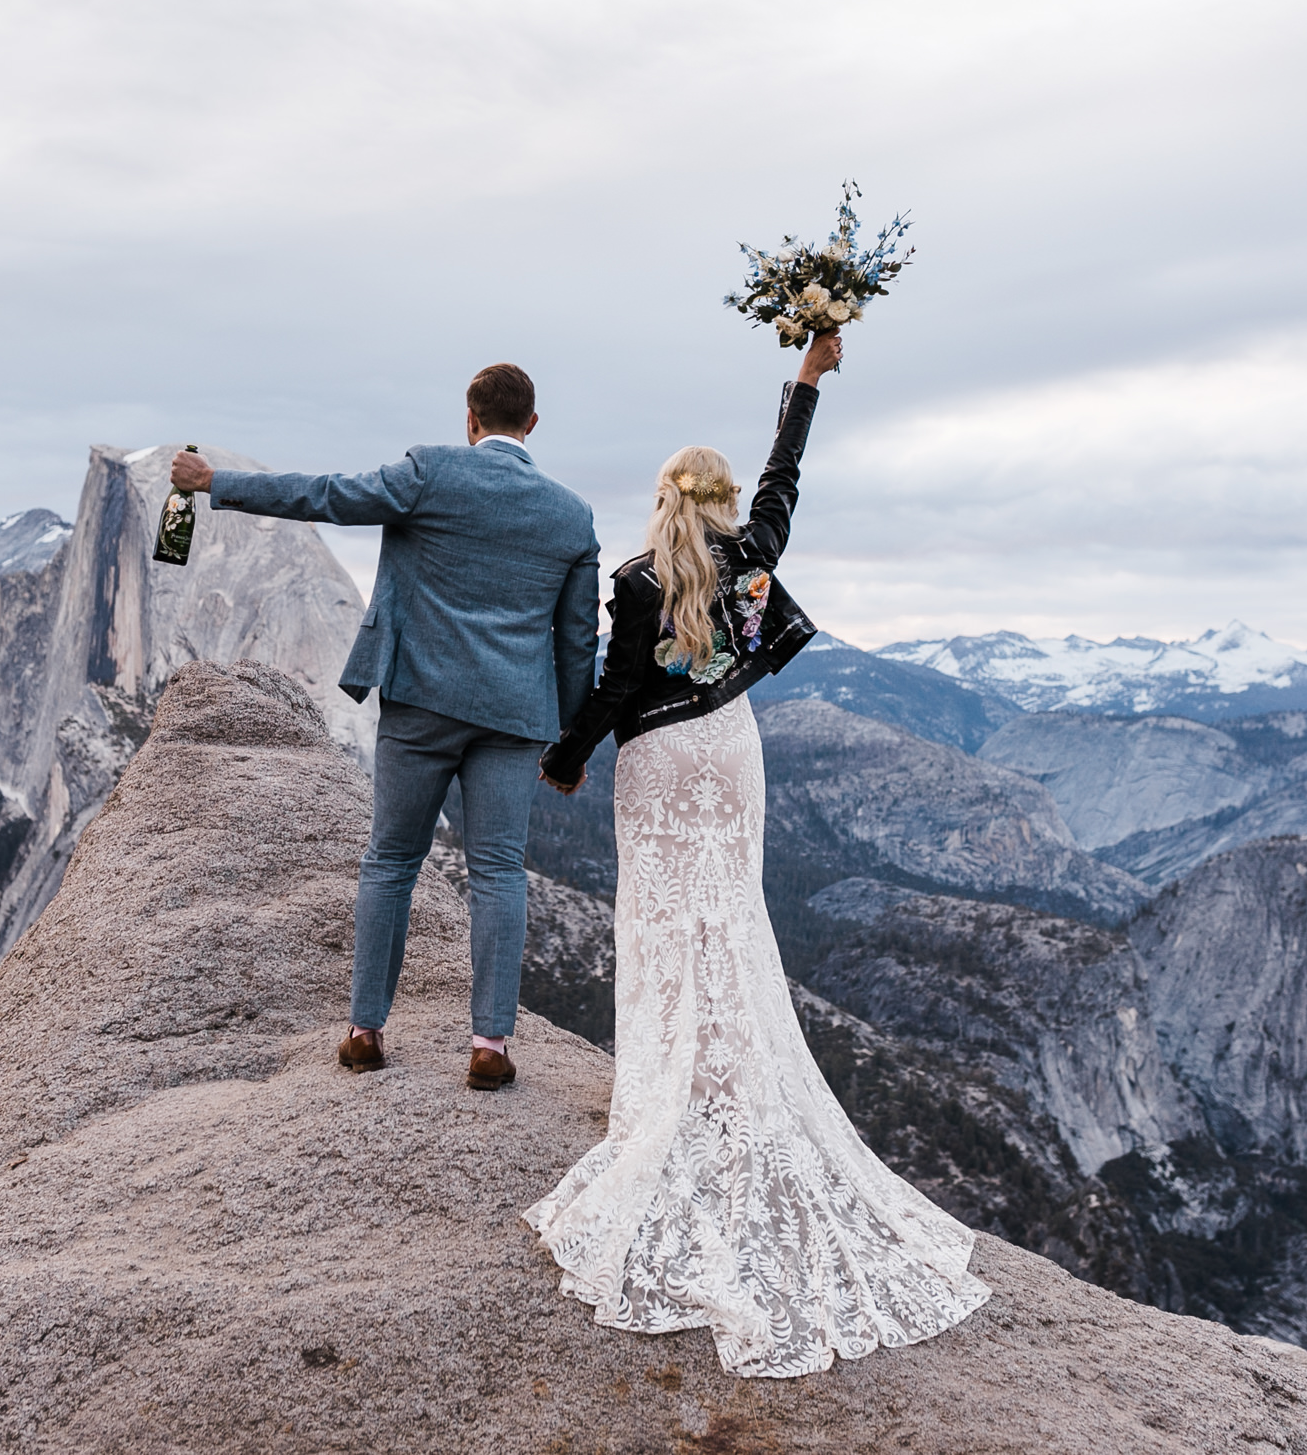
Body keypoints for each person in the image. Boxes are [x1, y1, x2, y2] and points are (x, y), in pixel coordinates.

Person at [525, 330, 991, 1377]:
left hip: (657, 759)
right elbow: (787, 476)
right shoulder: (751, 554)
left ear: (661, 500)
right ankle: (734, 1088)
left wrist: (565, 756)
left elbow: (611, 688)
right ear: (727, 503)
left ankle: (668, 1096)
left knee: (660, 917)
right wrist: (808, 380)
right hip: (731, 746)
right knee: (731, 911)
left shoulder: (640, 579)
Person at [169, 364, 599, 1090]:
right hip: (512, 714)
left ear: (470, 419)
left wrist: (213, 483)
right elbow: (578, 638)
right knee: (499, 871)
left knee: (392, 861)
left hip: (420, 702)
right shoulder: (571, 514)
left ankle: (366, 1030)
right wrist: (573, 740)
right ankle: (490, 1043)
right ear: (531, 426)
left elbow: (327, 496)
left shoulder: (428, 473)